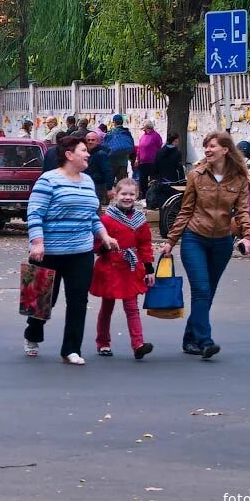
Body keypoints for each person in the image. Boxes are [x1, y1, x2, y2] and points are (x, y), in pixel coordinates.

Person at [25, 135, 120, 365]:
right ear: (69, 155)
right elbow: (34, 213)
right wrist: (37, 242)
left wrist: (104, 235)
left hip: (81, 251)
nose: (88, 154)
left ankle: (71, 349)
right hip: (50, 252)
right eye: (83, 151)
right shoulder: (48, 180)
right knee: (44, 300)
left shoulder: (87, 181)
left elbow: (92, 216)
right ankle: (33, 333)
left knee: (78, 301)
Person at [160, 131, 250, 360]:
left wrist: (248, 236)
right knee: (201, 290)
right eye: (206, 147)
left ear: (225, 150)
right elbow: (186, 209)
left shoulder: (240, 179)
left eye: (212, 146)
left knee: (208, 293)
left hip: (222, 241)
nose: (208, 150)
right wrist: (171, 241)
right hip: (195, 238)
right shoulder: (196, 175)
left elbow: (242, 211)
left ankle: (190, 339)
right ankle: (205, 341)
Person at [91, 178, 156, 359]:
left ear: (137, 196)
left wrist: (149, 268)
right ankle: (103, 342)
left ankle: (138, 344)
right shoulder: (106, 219)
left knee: (132, 307)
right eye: (123, 194)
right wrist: (105, 246)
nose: (127, 197)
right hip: (110, 266)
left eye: (131, 194)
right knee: (107, 306)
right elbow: (96, 244)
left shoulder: (140, 220)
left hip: (131, 267)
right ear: (115, 195)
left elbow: (145, 244)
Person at [84, 130, 113, 204]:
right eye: (88, 140)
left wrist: (109, 188)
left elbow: (108, 171)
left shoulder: (101, 154)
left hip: (99, 186)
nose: (90, 142)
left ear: (98, 141)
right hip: (89, 185)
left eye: (93, 140)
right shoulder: (86, 153)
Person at [135, 120, 163, 197]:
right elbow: (139, 149)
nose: (143, 129)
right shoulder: (143, 136)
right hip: (142, 163)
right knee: (142, 181)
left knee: (153, 181)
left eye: (143, 127)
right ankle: (143, 196)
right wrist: (137, 159)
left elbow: (159, 147)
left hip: (152, 162)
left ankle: (152, 197)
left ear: (147, 127)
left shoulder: (156, 136)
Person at [104, 114, 135, 182]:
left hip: (112, 162)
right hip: (123, 162)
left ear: (114, 122)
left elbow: (105, 146)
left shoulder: (110, 133)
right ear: (122, 122)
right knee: (122, 183)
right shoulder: (127, 132)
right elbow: (131, 145)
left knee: (110, 183)